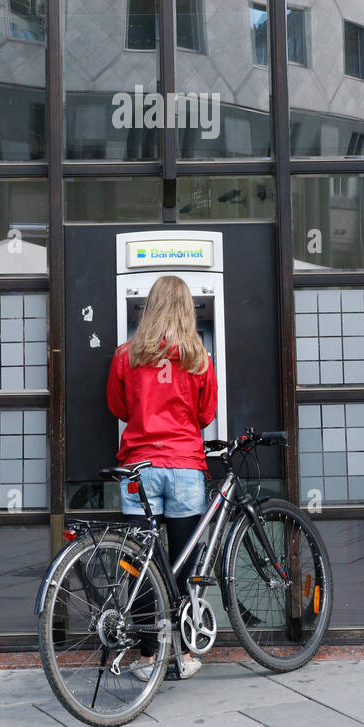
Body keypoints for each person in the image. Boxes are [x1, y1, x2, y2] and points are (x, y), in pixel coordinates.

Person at [106, 274, 218, 679]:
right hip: (185, 468)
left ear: (148, 308)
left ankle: (147, 655)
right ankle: (185, 655)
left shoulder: (126, 355)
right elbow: (206, 415)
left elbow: (119, 408)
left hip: (140, 469)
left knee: (137, 565)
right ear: (188, 310)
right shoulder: (199, 357)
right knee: (181, 566)